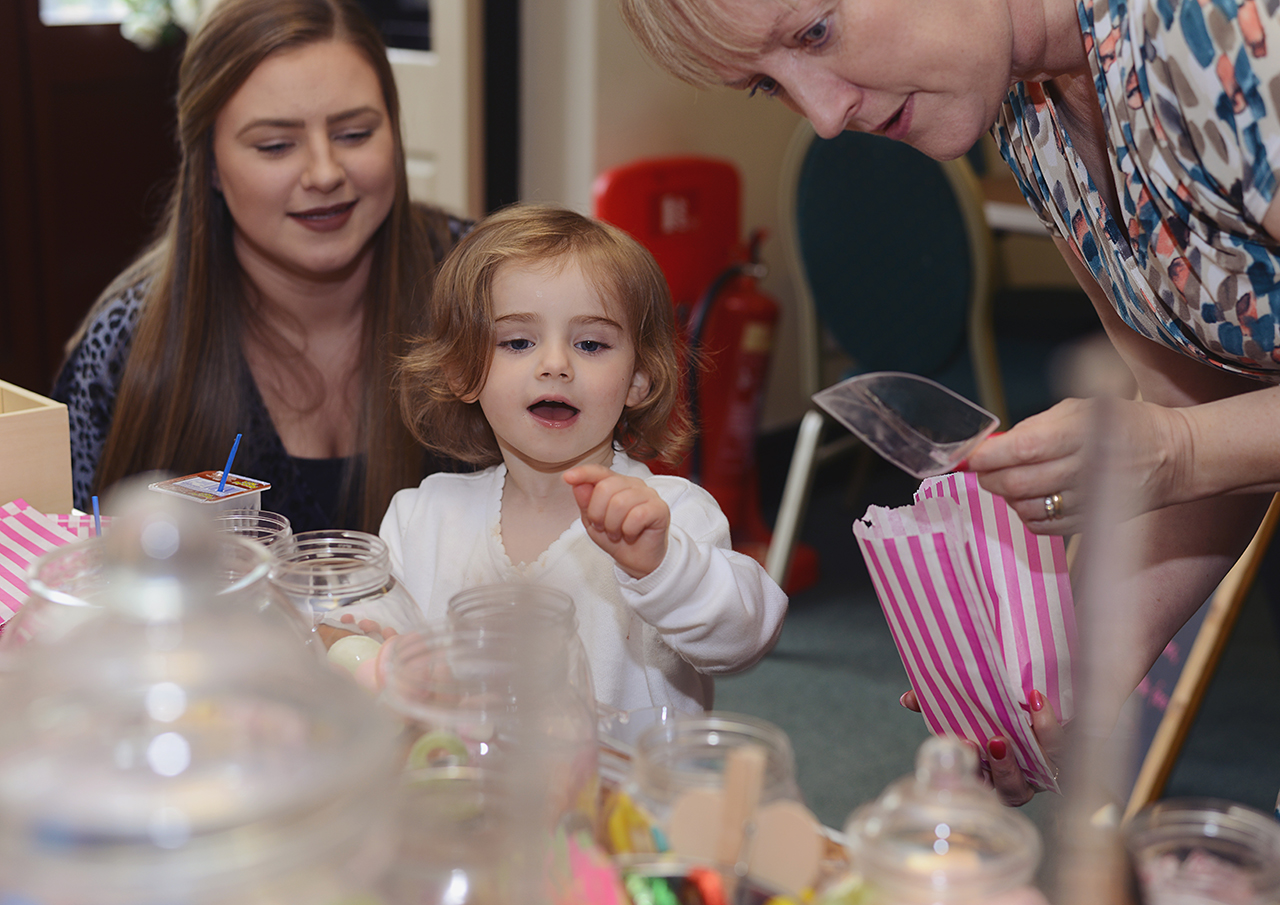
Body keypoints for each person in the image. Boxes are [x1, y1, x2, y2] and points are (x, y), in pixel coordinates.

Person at [618, 0, 1280, 802]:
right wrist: (1062, 682)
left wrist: (1179, 451)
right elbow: (1205, 396)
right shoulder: (1029, 108)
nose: (825, 116)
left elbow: (1192, 440)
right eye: (767, 85)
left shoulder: (1216, 38)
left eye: (816, 32)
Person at [325, 203, 788, 714]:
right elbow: (359, 632)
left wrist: (662, 568)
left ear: (639, 378)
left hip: (622, 791)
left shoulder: (667, 516)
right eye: (518, 341)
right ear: (462, 371)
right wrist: (350, 640)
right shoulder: (422, 516)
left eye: (591, 344)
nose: (554, 365)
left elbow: (746, 639)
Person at [52, 0, 468, 533]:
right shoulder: (124, 345)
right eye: (275, 145)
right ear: (211, 166)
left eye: (354, 134)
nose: (324, 172)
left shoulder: (489, 288)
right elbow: (58, 568)